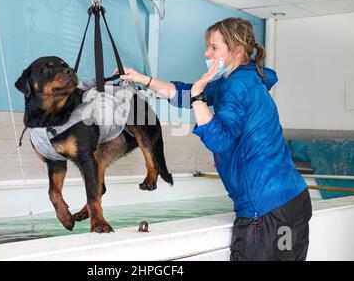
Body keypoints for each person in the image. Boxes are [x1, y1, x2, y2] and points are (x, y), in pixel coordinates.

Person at [116, 17, 312, 261]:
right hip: (292, 200)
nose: (207, 53)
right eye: (208, 46)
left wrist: (199, 97)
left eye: (214, 47)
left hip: (265, 210)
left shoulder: (236, 86)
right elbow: (184, 92)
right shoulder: (244, 78)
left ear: (237, 50)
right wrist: (142, 79)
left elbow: (219, 138)